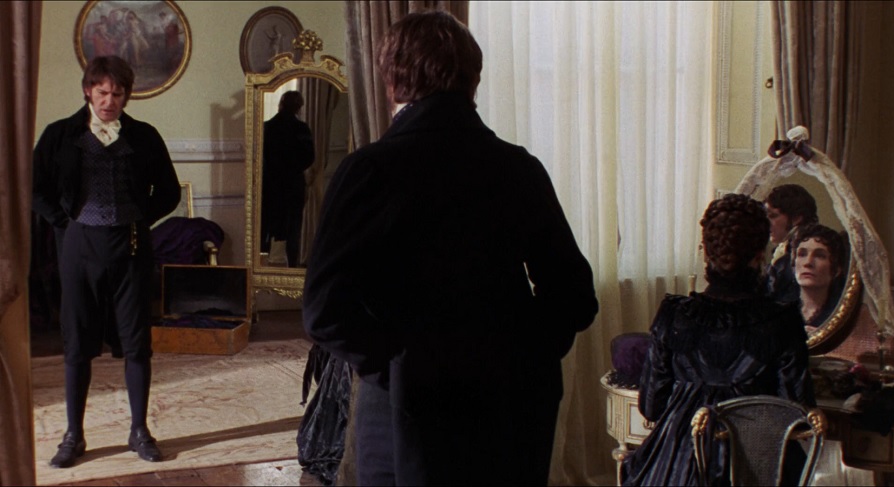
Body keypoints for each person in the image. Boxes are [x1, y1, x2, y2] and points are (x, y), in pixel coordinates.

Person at [302, 11, 598, 486]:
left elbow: (323, 312)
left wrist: (398, 366)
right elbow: (574, 296)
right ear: (473, 81)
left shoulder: (370, 171)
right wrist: (521, 355)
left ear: (392, 82)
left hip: (404, 408)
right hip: (511, 406)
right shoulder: (518, 168)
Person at [32, 55, 181, 468]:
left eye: (117, 94)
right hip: (78, 247)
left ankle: (140, 431)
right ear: (88, 91)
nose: (109, 101)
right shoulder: (60, 135)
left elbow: (169, 192)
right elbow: (35, 187)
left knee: (137, 343)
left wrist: (138, 218)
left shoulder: (144, 136)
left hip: (131, 247)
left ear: (127, 96)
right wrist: (66, 222)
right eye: (102, 92)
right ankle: (73, 435)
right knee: (77, 343)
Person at [620, 194, 815, 486]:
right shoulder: (782, 321)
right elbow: (796, 413)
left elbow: (651, 407)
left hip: (676, 467)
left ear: (706, 254)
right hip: (757, 469)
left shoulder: (674, 315)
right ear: (759, 255)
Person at [260, 90, 315, 267]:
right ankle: (293, 267)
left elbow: (261, 157)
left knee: (266, 227)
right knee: (293, 229)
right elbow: (309, 157)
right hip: (293, 185)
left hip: (271, 183)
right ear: (299, 107)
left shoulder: (267, 127)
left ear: (281, 104)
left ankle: (261, 266)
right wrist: (293, 168)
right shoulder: (301, 128)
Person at [764, 184, 819, 304]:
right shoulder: (783, 250)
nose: (766, 223)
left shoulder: (803, 253)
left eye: (773, 216)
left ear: (796, 218)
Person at [791, 224, 846, 329]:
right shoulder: (779, 312)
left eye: (820, 256)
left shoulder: (840, 315)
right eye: (802, 254)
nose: (808, 262)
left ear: (836, 270)